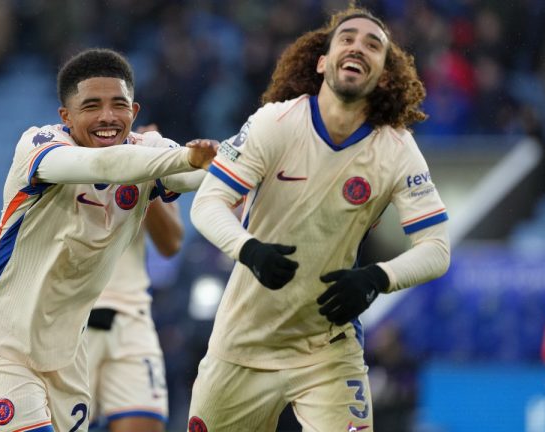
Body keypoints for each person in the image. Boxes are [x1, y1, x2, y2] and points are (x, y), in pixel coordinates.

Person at [187, 5, 451, 431]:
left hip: (327, 347)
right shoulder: (275, 122)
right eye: (346, 38)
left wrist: (374, 279)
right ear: (323, 61)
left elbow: (437, 250)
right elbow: (208, 202)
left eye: (373, 45)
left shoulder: (397, 150)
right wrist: (248, 249)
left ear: (384, 75)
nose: (358, 47)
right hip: (240, 345)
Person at [0, 48, 215, 432]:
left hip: (68, 352)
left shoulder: (149, 152)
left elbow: (207, 179)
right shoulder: (38, 147)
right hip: (0, 342)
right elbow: (102, 165)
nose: (107, 117)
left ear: (135, 111)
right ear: (66, 116)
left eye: (118, 105)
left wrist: (236, 161)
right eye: (91, 106)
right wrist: (186, 159)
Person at [88, 196, 181, 432]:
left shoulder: (148, 159)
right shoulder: (56, 158)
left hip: (131, 312)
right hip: (65, 317)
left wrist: (144, 181)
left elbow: (171, 243)